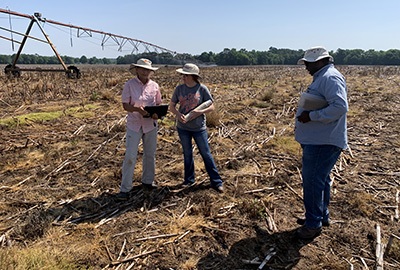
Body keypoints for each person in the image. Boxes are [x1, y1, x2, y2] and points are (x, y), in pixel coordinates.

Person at [295, 46, 348, 239]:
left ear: (319, 62)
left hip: (322, 142)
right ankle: (320, 215)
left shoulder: (330, 78)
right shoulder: (323, 76)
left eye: (308, 63)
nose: (306, 67)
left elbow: (340, 107)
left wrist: (312, 116)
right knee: (321, 180)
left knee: (312, 182)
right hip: (318, 140)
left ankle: (313, 224)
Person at [169, 63, 224, 193]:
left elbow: (211, 106)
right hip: (183, 127)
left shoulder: (202, 89)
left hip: (199, 128)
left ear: (193, 76)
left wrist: (199, 112)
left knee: (205, 153)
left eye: (186, 75)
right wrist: (178, 115)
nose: (183, 77)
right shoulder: (179, 89)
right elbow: (172, 107)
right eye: (183, 74)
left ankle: (216, 181)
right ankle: (189, 180)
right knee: (187, 154)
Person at [117, 58, 162, 200]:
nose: (145, 72)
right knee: (130, 156)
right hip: (134, 124)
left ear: (151, 71)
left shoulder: (155, 86)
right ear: (136, 69)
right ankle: (125, 189)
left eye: (148, 69)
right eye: (142, 69)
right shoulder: (129, 85)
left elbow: (159, 104)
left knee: (150, 154)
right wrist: (137, 109)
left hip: (150, 125)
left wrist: (156, 115)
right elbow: (125, 106)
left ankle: (148, 181)